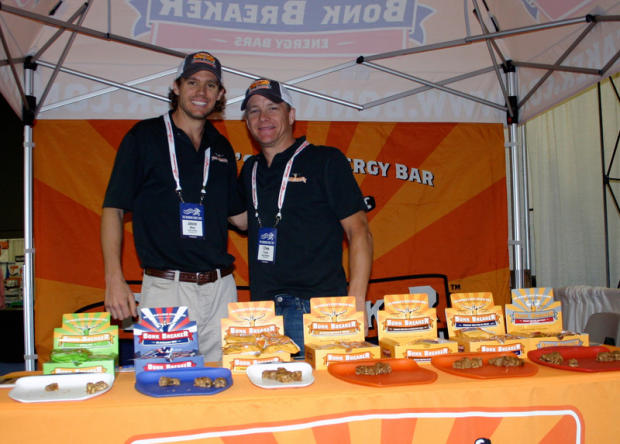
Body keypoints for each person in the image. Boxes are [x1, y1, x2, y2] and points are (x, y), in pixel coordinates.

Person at [101, 51, 247, 362]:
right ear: (176, 87)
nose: (201, 92)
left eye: (210, 85)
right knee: (165, 381)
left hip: (221, 289)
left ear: (220, 94)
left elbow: (241, 218)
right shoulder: (144, 137)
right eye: (192, 82)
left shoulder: (221, 146)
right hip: (167, 289)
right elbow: (113, 209)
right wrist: (114, 278)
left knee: (224, 381)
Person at [238, 78, 373, 354]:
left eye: (273, 108)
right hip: (263, 313)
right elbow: (241, 220)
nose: (263, 117)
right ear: (247, 122)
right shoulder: (250, 169)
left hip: (315, 310)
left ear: (291, 115)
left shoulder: (325, 160)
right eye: (254, 110)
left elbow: (359, 230)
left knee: (318, 384)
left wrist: (356, 302)